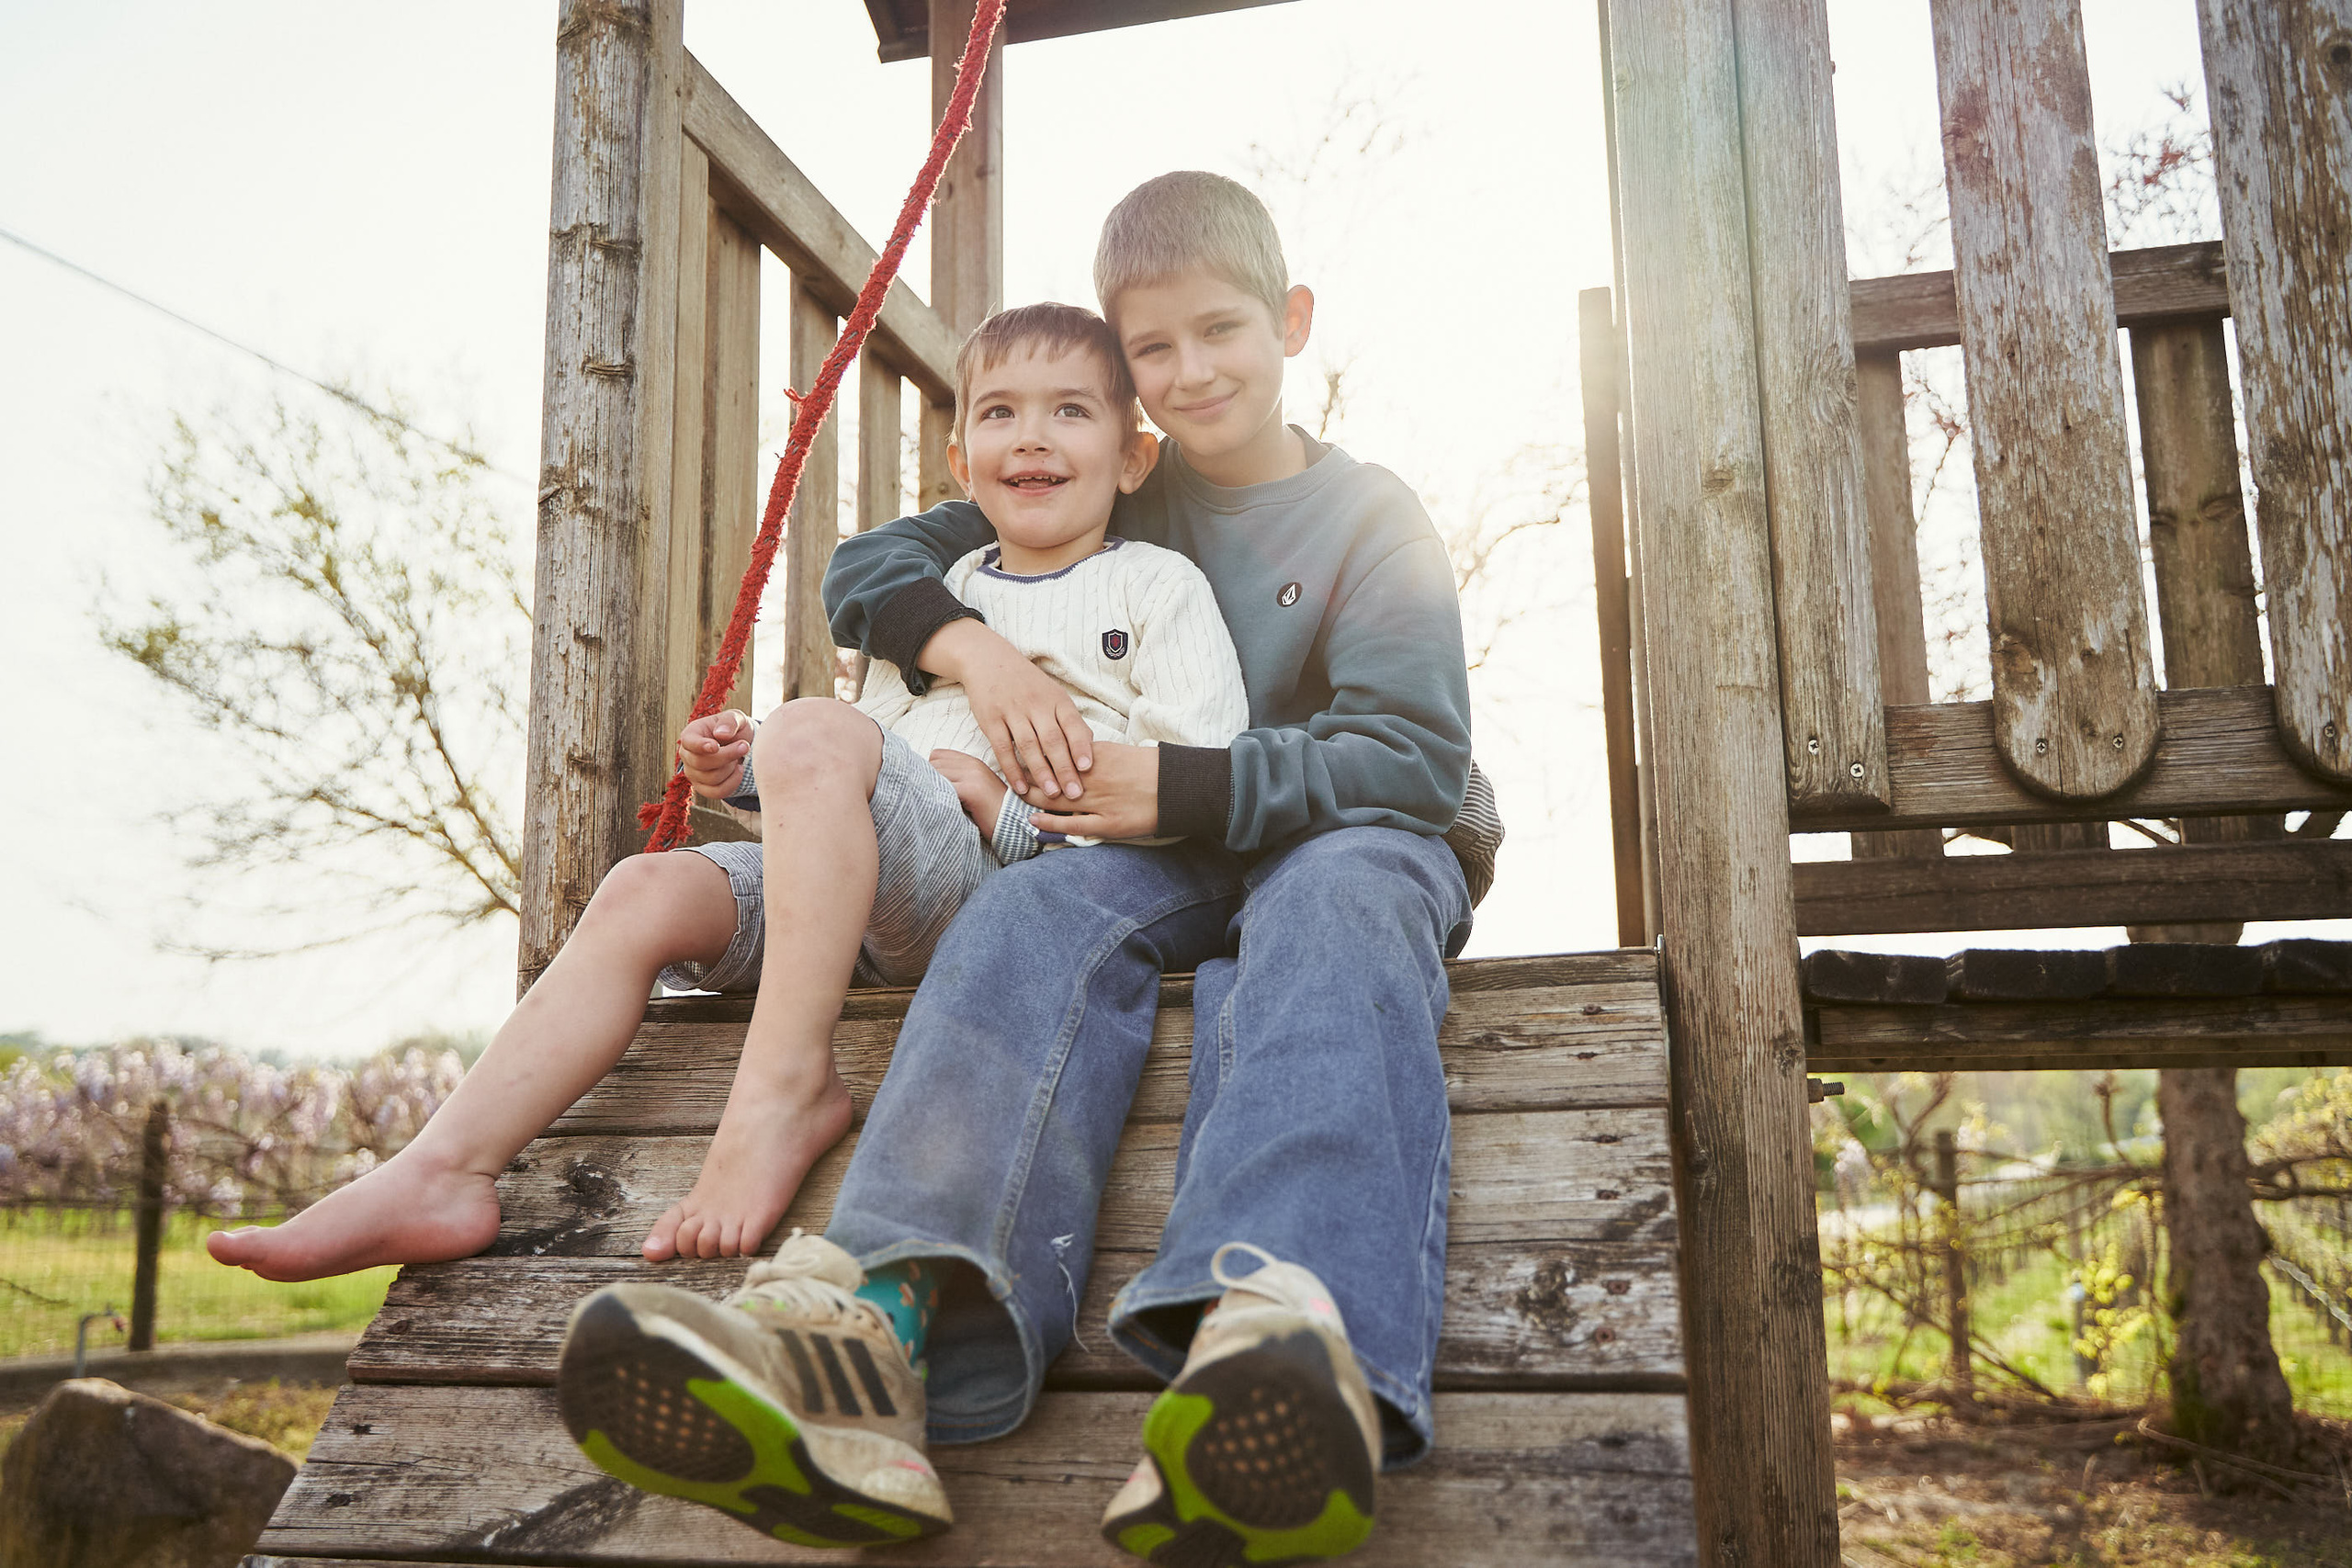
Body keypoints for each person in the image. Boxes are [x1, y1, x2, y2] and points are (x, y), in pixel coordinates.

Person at [555, 172, 1500, 1563]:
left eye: (1220, 331)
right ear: (1126, 381)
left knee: (1338, 912)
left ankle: (1284, 1335)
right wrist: (978, 652)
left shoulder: (1372, 515)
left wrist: (1186, 781)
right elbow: (872, 565)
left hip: (1338, 831)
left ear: (1292, 322)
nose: (1190, 373)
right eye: (1154, 351)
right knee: (1029, 912)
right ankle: (872, 1338)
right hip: (1131, 851)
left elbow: (1415, 755)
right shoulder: (1118, 481)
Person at [203, 300, 1247, 1292]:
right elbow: (862, 773)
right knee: (643, 890)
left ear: (1134, 454)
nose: (1032, 438)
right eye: (1000, 412)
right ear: (957, 457)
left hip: (1009, 901)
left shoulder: (1156, 587)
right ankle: (442, 1169)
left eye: (1071, 411)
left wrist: (1011, 818)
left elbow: (1194, 783)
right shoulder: (936, 598)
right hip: (877, 891)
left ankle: (785, 1086)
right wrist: (748, 775)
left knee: (816, 728)